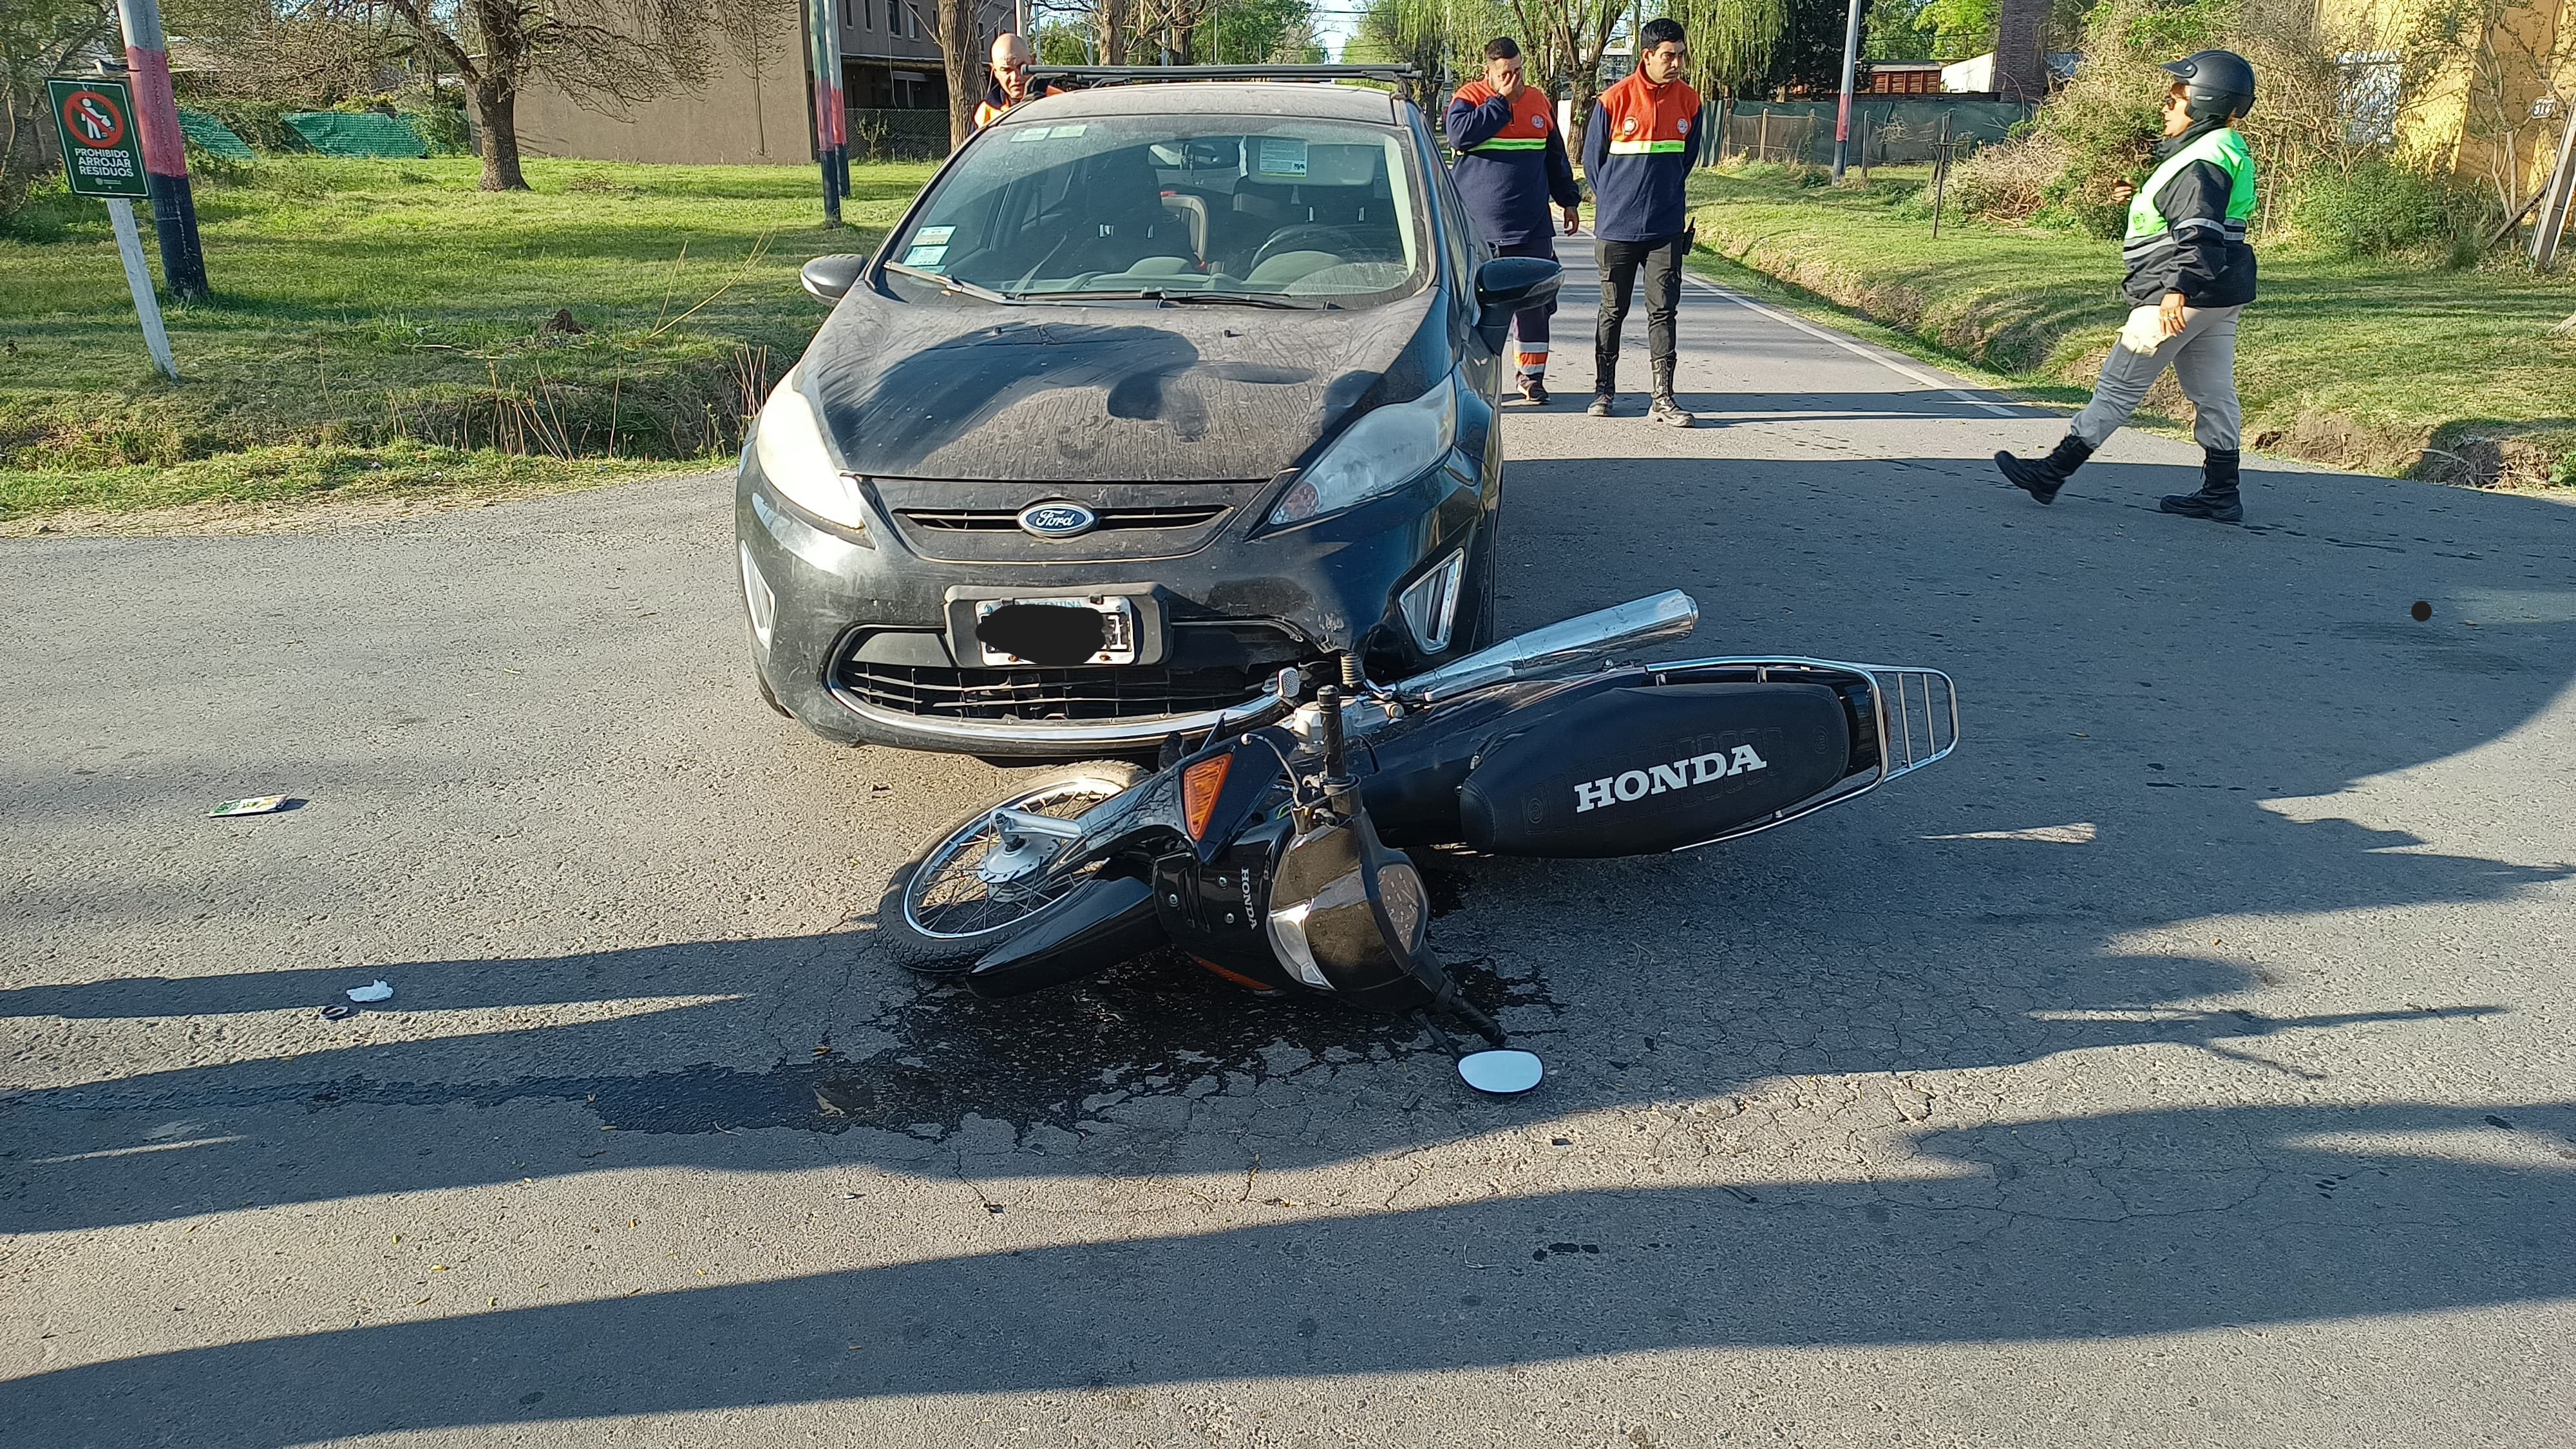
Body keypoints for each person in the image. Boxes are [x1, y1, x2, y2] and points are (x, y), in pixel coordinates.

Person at [1994, 50, 2260, 522]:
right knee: (2215, 393)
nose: (2165, 107)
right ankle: (2222, 491)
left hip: (2177, 293)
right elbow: (2191, 215)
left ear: (2202, 103)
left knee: (2118, 387)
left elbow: (2199, 231)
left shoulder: (2200, 162)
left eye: (2174, 100)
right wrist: (2137, 196)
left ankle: (2052, 473)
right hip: (2221, 295)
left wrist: (2177, 289)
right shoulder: (2221, 150)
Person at [1446, 37, 1584, 405]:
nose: (1514, 79)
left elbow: (1555, 159)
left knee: (1535, 307)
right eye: (1505, 73)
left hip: (1531, 226)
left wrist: (1569, 201)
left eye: (1518, 71)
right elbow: (1458, 135)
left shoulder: (1539, 101)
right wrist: (1501, 103)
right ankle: (1471, 380)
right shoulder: (1469, 98)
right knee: (1470, 307)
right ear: (1488, 71)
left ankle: (1532, 377)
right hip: (1477, 231)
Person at [1582, 17, 1703, 427]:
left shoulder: (1691, 102)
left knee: (1663, 312)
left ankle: (1663, 398)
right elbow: (1592, 164)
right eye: (1669, 56)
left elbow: (1686, 161)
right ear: (1647, 56)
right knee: (1612, 310)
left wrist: (1661, 199)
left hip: (1665, 229)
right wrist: (1617, 202)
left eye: (1681, 56)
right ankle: (1604, 390)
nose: (1677, 64)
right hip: (1616, 229)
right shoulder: (1612, 101)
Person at [975, 33, 1058, 129]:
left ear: (1033, 62)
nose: (1016, 77)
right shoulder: (986, 111)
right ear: (995, 72)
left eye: (1022, 67)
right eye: (1006, 71)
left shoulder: (1056, 100)